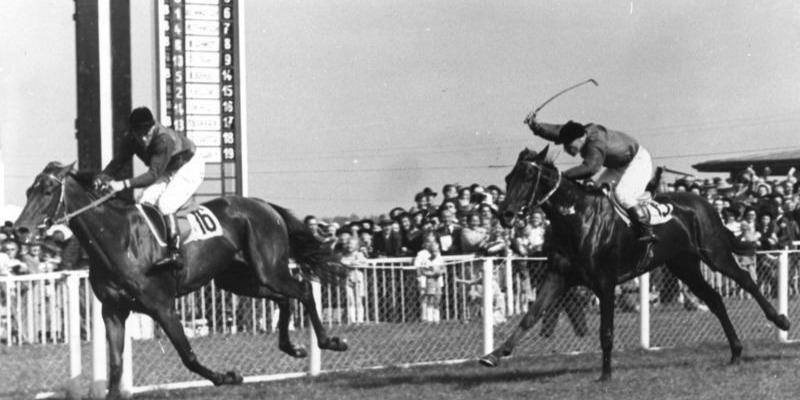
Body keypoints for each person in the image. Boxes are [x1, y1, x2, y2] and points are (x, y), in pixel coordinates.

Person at [95, 107, 205, 269]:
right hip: (169, 167)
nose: (144, 138)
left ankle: (175, 253)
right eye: (139, 134)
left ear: (153, 127)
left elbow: (152, 175)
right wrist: (102, 177)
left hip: (189, 166)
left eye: (147, 133)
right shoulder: (130, 139)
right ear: (132, 132)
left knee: (165, 204)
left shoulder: (163, 140)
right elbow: (118, 162)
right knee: (143, 200)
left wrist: (123, 184)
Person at [526, 116, 657, 243]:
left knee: (622, 195)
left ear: (580, 138)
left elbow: (590, 168)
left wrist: (563, 176)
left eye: (568, 144)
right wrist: (536, 126)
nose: (566, 149)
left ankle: (646, 229)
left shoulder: (595, 142)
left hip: (637, 162)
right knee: (596, 193)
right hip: (619, 165)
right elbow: (557, 131)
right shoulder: (579, 132)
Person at [414, 233, 445, 323]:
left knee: (437, 298)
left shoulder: (438, 254)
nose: (431, 244)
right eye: (428, 241)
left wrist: (438, 272)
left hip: (437, 280)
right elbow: (418, 267)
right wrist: (425, 274)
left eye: (433, 241)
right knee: (425, 298)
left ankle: (436, 317)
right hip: (425, 280)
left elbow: (442, 267)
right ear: (424, 243)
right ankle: (425, 317)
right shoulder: (421, 254)